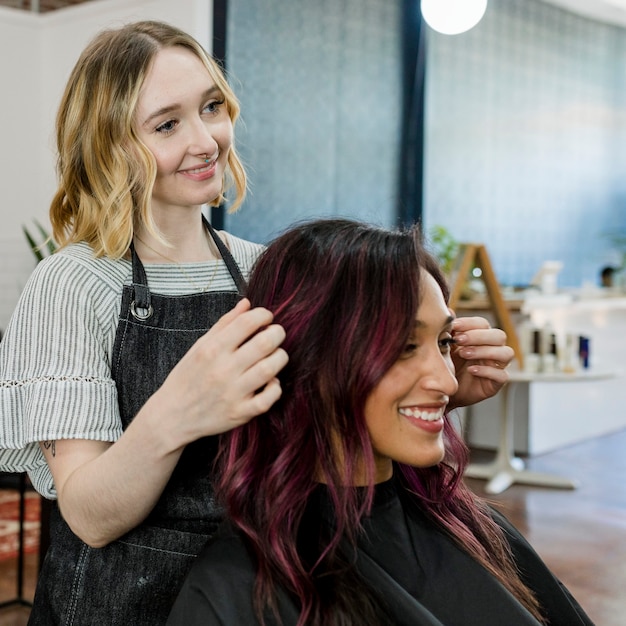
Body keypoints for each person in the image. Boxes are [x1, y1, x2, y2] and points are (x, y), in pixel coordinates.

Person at [0, 21, 513, 626]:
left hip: (265, 593)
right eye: (167, 124)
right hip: (122, 606)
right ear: (109, 144)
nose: (206, 139)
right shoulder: (73, 285)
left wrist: (439, 385)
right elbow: (88, 514)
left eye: (212, 107)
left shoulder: (264, 269)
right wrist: (180, 410)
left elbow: (327, 430)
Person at [167, 219, 593, 626]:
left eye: (443, 342)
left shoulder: (469, 526)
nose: (448, 380)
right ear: (311, 359)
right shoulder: (235, 591)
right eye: (405, 345)